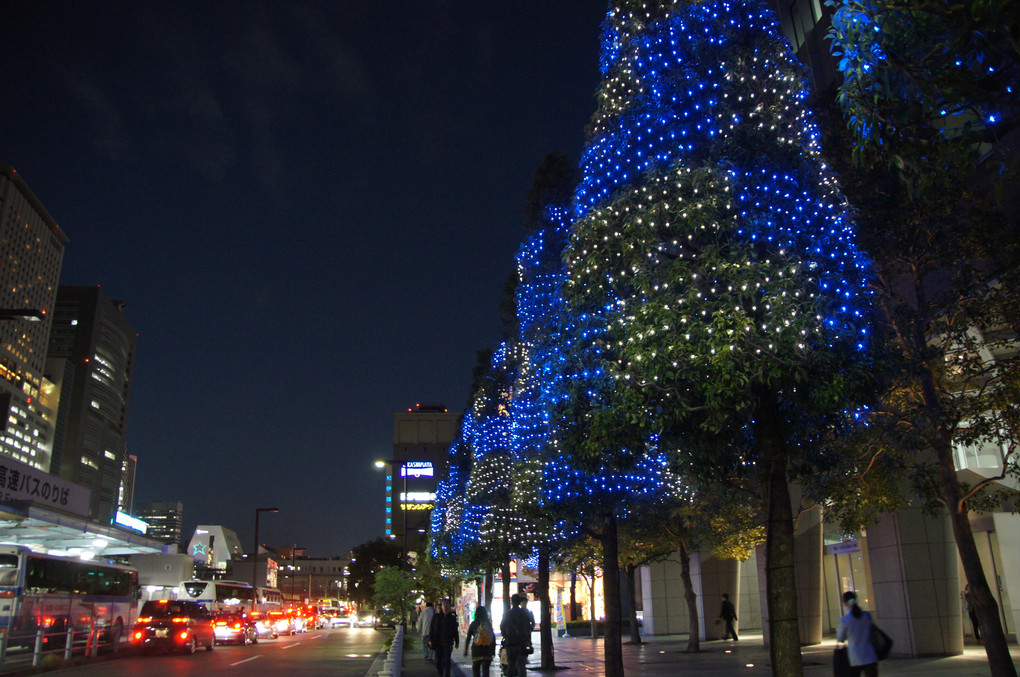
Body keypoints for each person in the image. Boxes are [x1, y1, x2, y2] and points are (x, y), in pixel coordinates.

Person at [836, 591, 879, 677]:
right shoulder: (867, 616)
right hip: (870, 655)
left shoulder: (845, 620)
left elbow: (840, 638)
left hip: (855, 658)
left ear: (845, 604)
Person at [500, 594, 533, 677]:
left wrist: (505, 634)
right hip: (522, 642)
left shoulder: (507, 614)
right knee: (522, 665)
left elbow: (502, 626)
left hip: (510, 642)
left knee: (511, 665)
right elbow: (529, 626)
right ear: (519, 602)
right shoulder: (525, 613)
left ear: (512, 602)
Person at [463, 605, 497, 677]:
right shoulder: (488, 624)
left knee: (476, 669)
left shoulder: (473, 624)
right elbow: (492, 637)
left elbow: (468, 638)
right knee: (485, 670)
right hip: (487, 651)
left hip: (476, 651)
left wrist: (466, 650)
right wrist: (493, 651)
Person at [430, 598, 459, 677]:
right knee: (438, 661)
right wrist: (430, 639)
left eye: (447, 604)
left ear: (449, 606)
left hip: (448, 642)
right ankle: (440, 672)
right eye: (444, 604)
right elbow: (432, 628)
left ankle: (447, 675)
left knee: (447, 660)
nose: (445, 606)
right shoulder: (436, 617)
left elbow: (455, 630)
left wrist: (457, 641)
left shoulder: (452, 618)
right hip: (438, 642)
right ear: (441, 606)